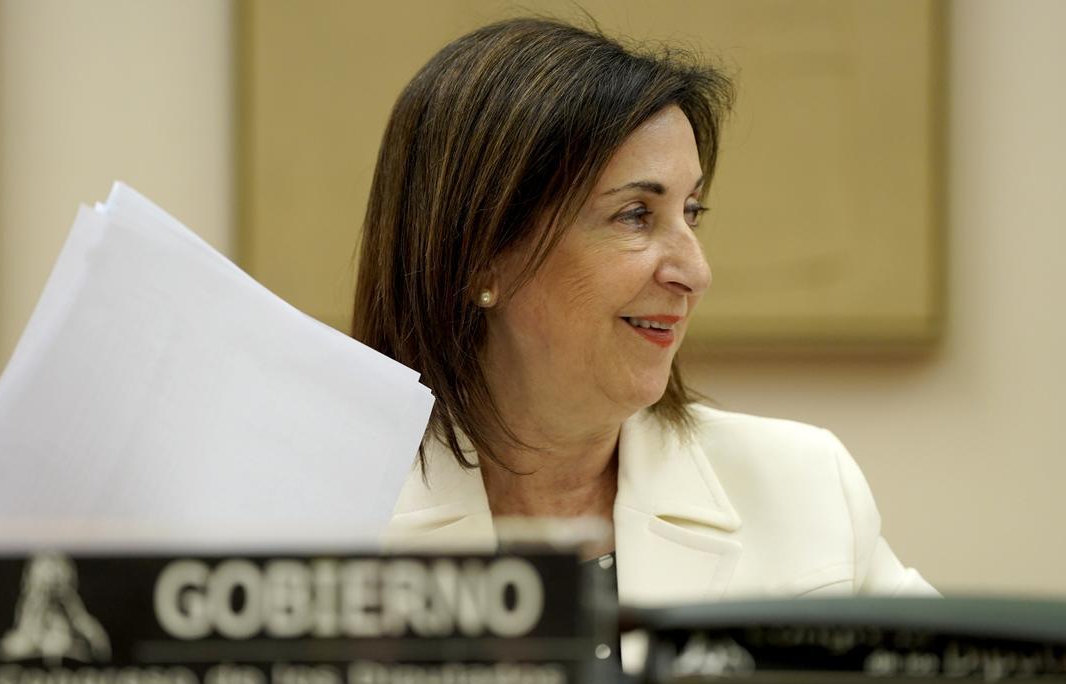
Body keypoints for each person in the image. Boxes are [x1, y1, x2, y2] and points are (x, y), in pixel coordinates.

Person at [352, 17, 935, 609]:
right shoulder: (322, 515)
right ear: (481, 257)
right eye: (635, 215)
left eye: (692, 211)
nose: (695, 273)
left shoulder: (804, 487)